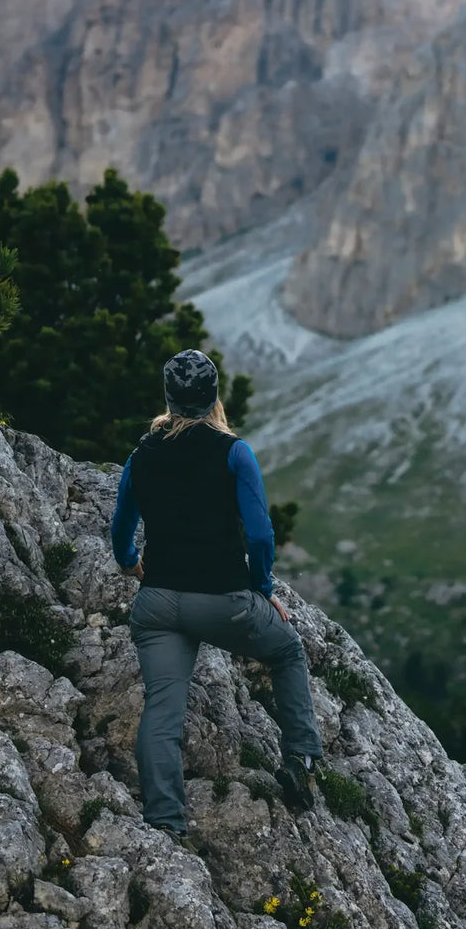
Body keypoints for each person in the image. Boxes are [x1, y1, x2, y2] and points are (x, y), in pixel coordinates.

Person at [110, 348, 322, 839]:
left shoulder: (142, 454)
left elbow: (121, 525)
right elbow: (262, 536)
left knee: (163, 709)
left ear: (168, 397)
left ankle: (165, 821)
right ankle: (301, 761)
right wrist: (263, 588)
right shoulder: (233, 452)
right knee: (288, 651)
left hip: (157, 602)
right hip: (226, 602)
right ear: (214, 397)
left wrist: (128, 561)